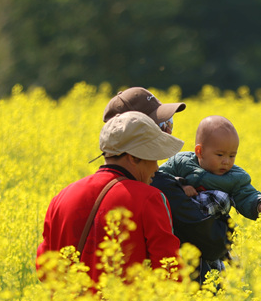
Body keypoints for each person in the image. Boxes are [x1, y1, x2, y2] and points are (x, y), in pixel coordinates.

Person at [36, 110, 184, 286]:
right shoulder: (150, 198)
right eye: (153, 157)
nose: (157, 167)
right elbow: (170, 272)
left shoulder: (61, 197)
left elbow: (44, 269)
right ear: (134, 157)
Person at [103, 88, 233, 283]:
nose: (169, 131)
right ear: (135, 130)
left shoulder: (99, 187)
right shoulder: (159, 188)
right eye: (162, 125)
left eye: (169, 124)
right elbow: (214, 242)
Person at [159, 115, 261, 221]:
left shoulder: (235, 177)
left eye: (232, 155)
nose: (226, 161)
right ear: (199, 151)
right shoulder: (181, 162)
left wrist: (260, 205)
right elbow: (159, 177)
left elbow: (246, 195)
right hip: (179, 220)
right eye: (220, 155)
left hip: (210, 229)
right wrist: (180, 185)